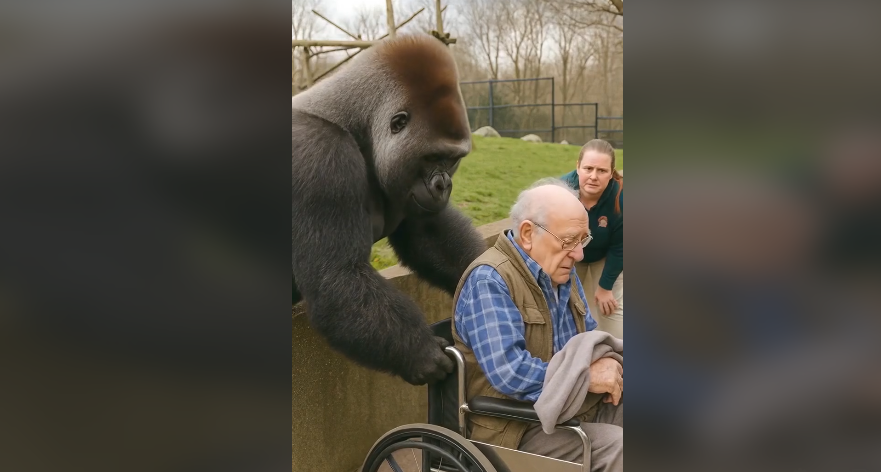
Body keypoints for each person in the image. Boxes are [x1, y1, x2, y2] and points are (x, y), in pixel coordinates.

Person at [451, 179, 624, 470]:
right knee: (620, 447)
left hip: (571, 407)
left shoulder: (561, 270)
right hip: (515, 427)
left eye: (583, 240)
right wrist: (584, 376)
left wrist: (608, 361)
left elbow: (588, 335)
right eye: (569, 240)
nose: (579, 254)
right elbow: (510, 372)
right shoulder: (489, 280)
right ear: (528, 233)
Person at [561, 139, 624, 339]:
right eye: (588, 168)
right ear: (578, 167)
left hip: (607, 255)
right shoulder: (560, 192)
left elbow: (621, 247)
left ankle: (620, 352)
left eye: (602, 171)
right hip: (568, 254)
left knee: (610, 308)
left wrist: (605, 287)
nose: (594, 176)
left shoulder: (621, 198)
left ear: (611, 173)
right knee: (568, 307)